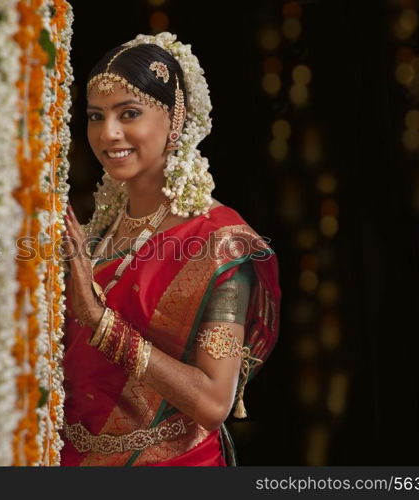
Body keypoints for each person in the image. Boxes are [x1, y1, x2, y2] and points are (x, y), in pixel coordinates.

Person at [61, 32, 280, 466]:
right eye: (95, 115)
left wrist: (100, 321)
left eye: (130, 113)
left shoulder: (219, 242)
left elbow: (214, 403)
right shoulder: (98, 228)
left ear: (175, 120)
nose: (109, 133)